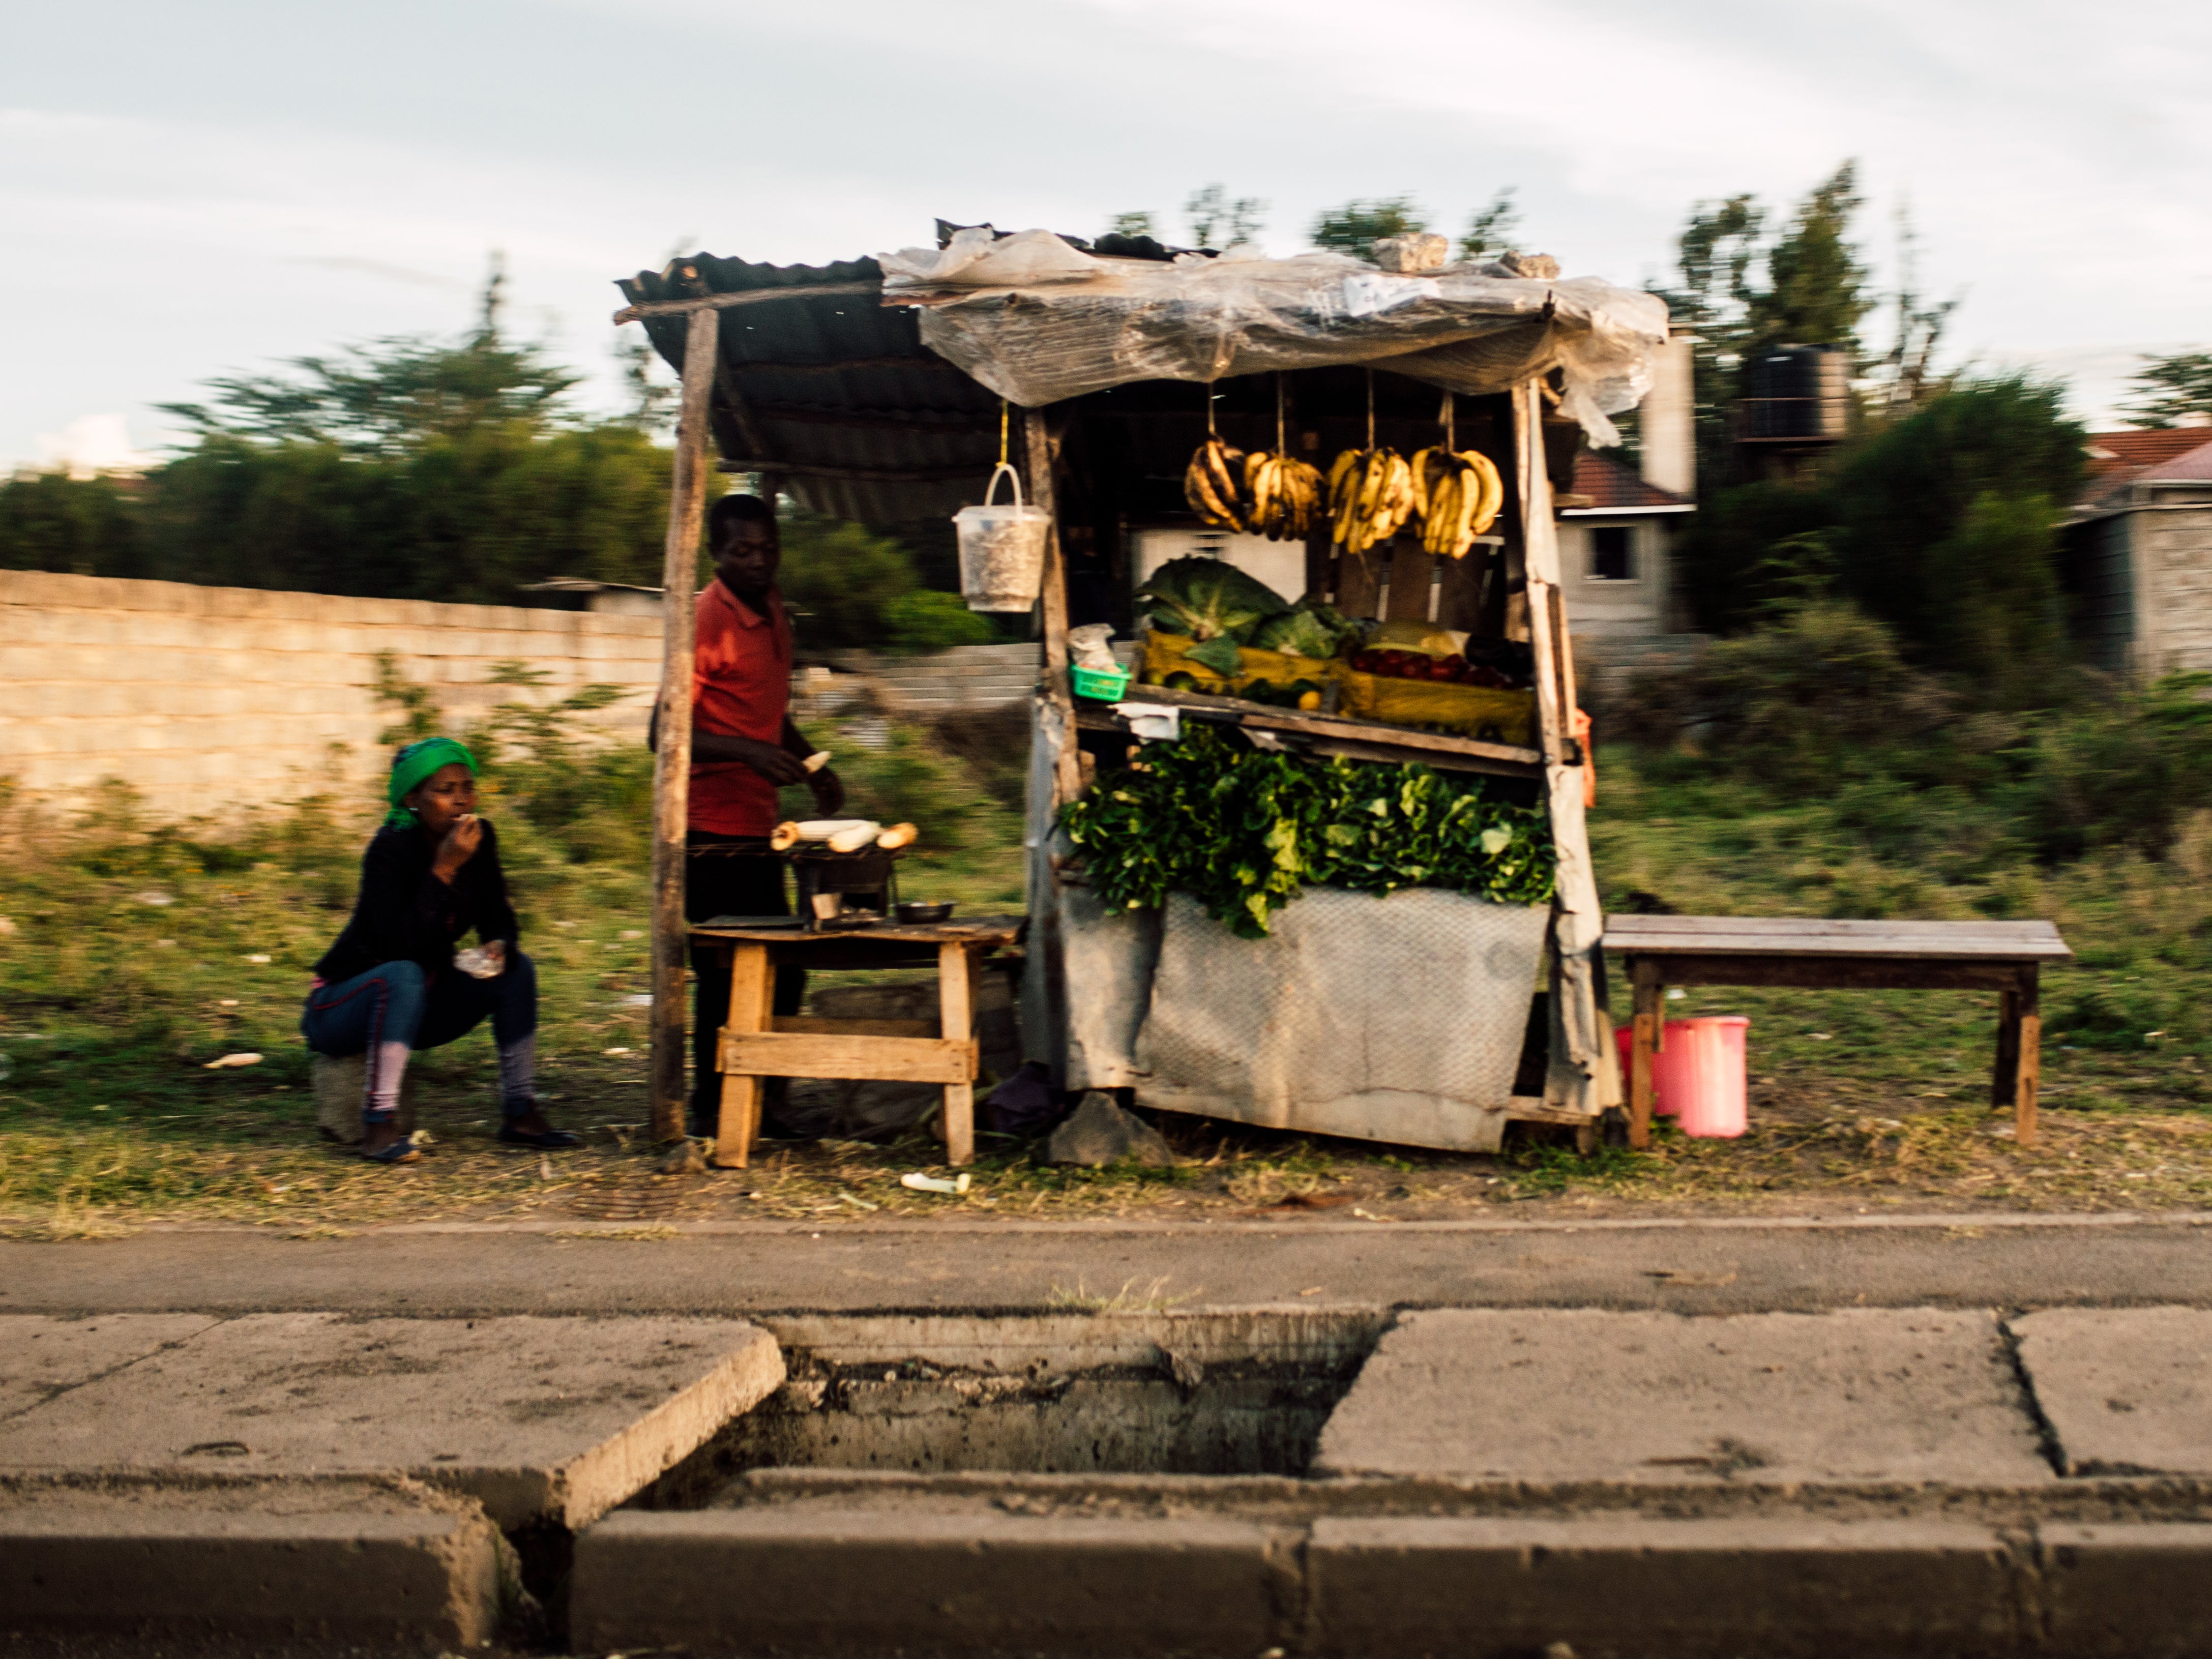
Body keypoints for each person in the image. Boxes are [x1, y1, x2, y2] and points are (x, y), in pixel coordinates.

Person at [651, 493, 844, 1137]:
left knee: (784, 966)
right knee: (721, 970)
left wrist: (808, 761)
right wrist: (747, 753)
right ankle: (711, 1108)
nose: (758, 561)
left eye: (768, 549)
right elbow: (663, 731)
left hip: (760, 824)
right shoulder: (707, 617)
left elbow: (763, 708)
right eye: (742, 551)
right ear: (715, 553)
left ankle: (768, 1099)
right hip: (706, 823)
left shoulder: (773, 611)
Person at [302, 737, 580, 1164]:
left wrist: (498, 945)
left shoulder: (479, 839)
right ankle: (378, 1126)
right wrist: (445, 868)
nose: (460, 801)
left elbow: (498, 913)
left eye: (467, 788)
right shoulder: (389, 850)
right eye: (444, 790)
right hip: (342, 1006)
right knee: (404, 974)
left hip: (418, 999)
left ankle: (521, 1112)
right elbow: (397, 946)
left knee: (516, 971)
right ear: (413, 798)